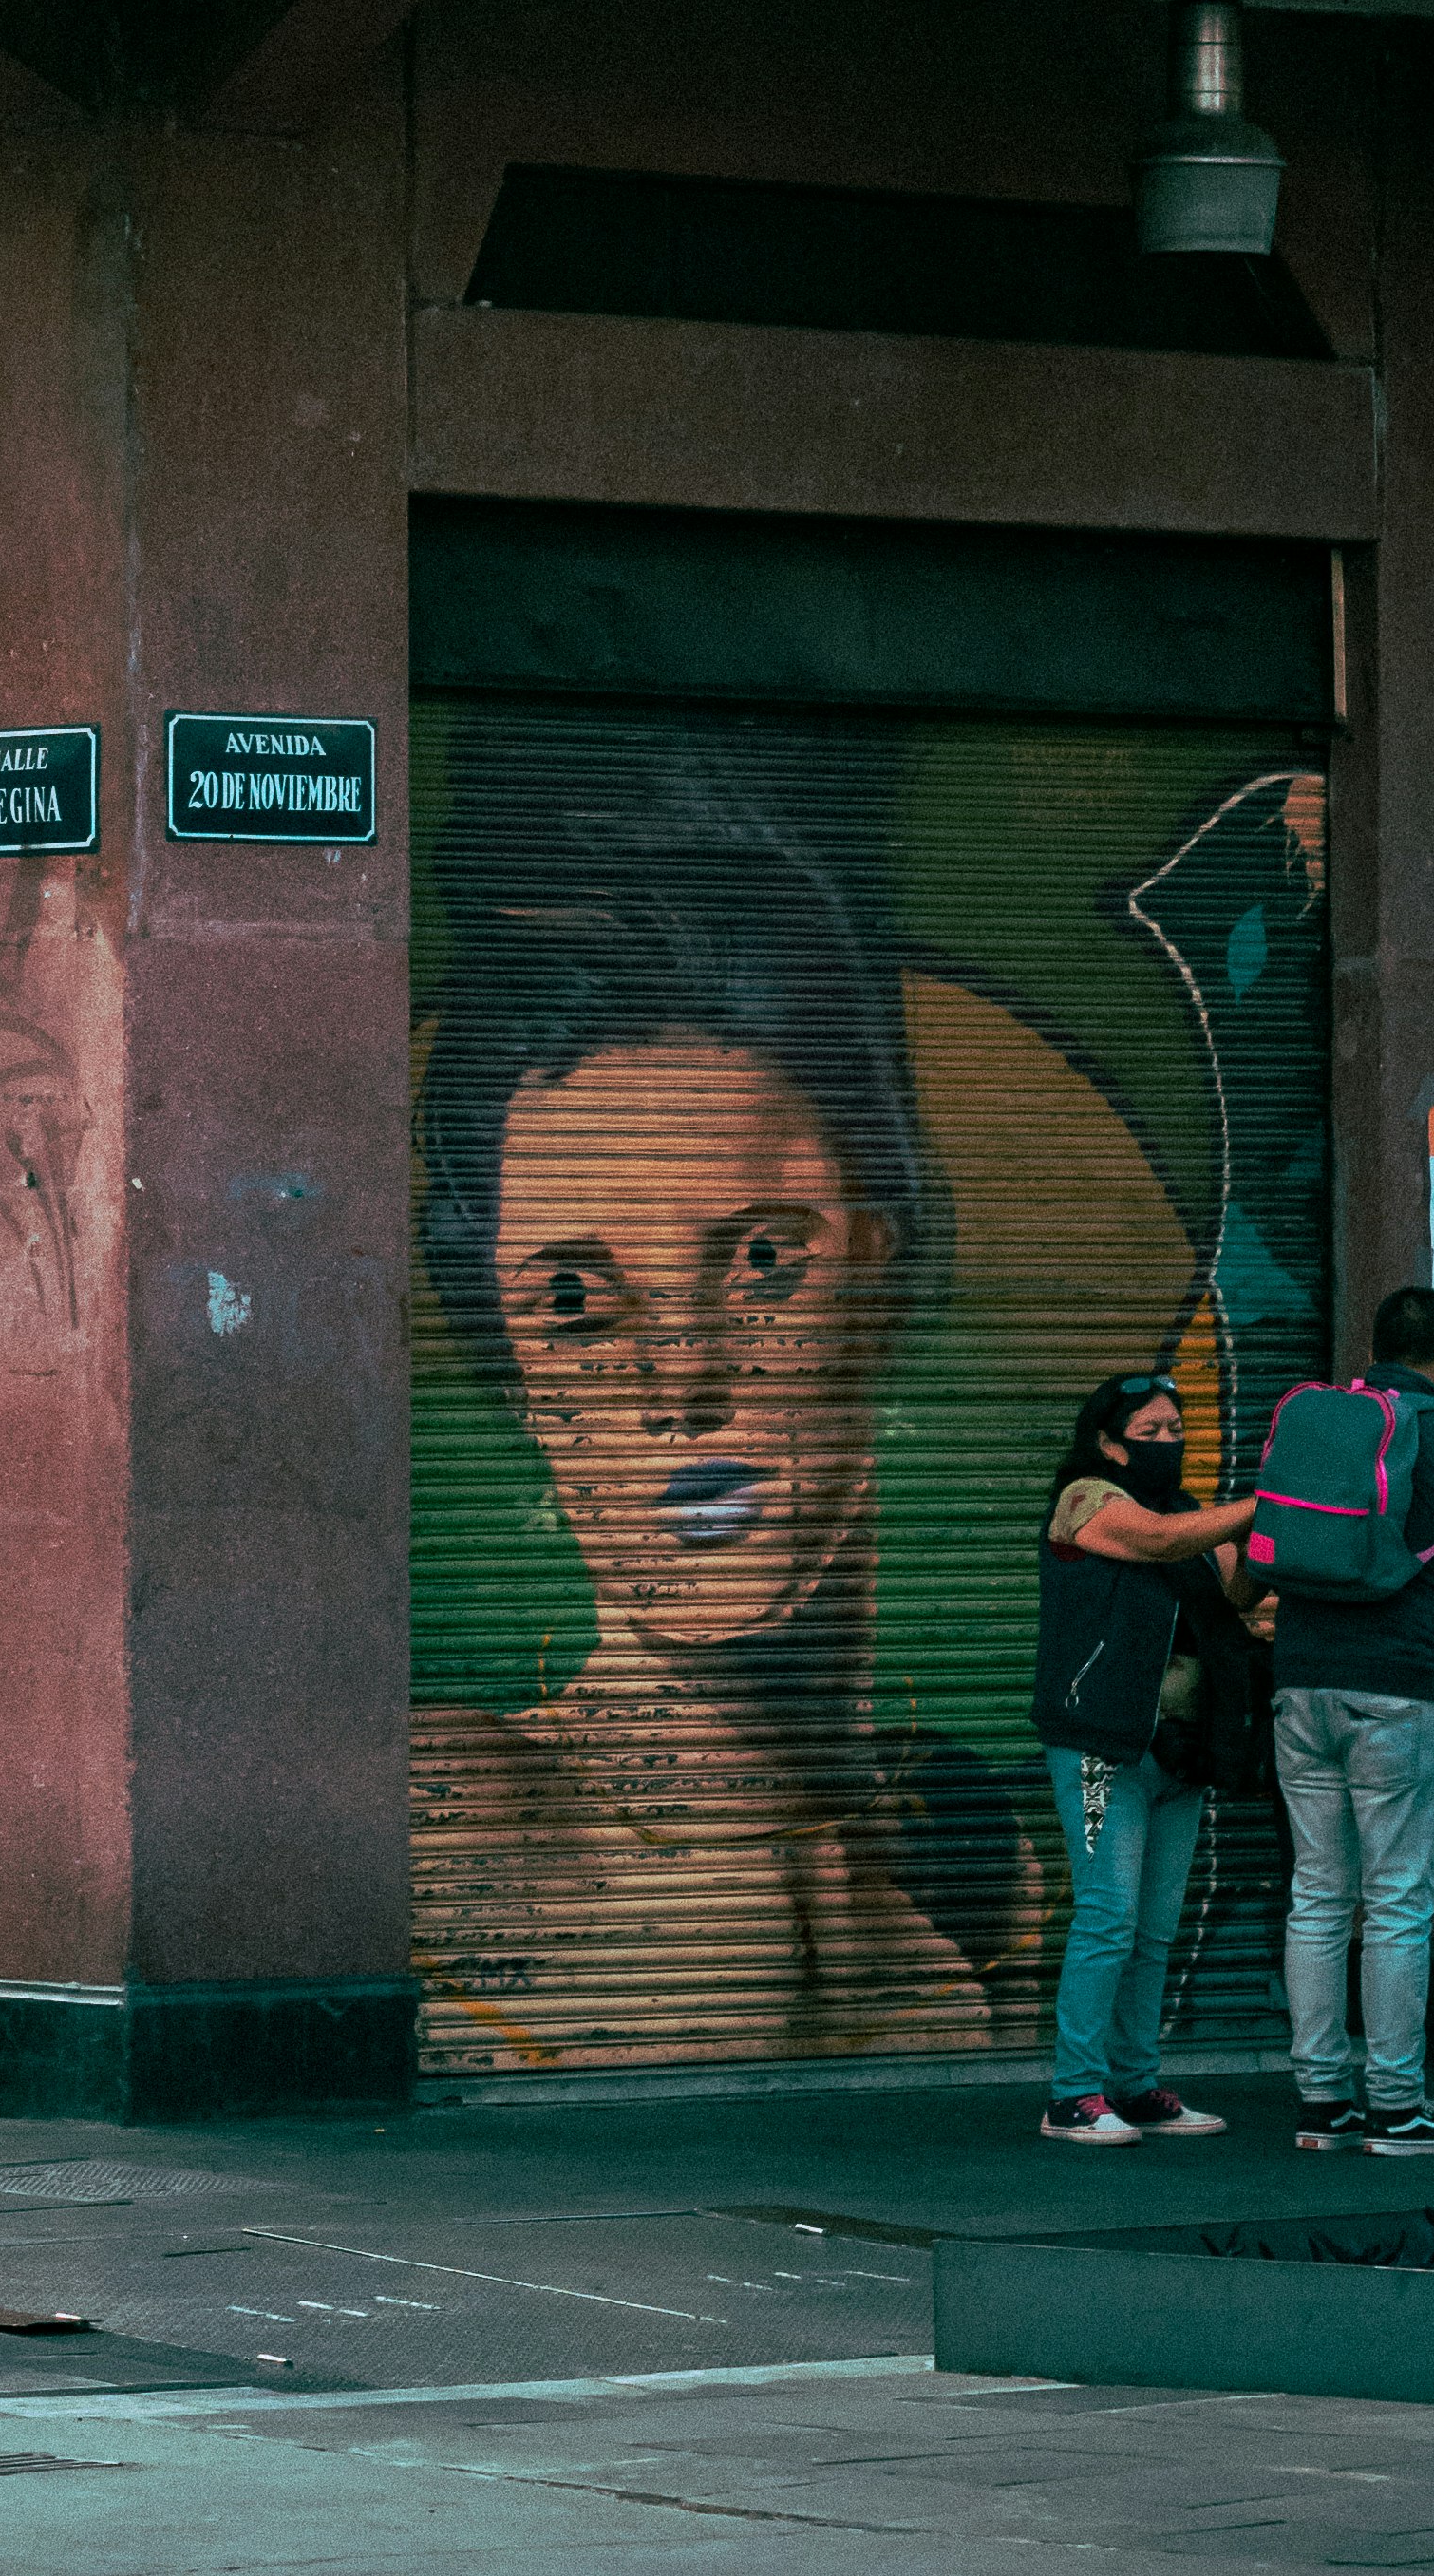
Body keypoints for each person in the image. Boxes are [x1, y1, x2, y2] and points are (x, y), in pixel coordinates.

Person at [413, 776, 1036, 2055]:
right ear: (519, 1372)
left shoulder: (971, 1858)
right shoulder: (455, 1811)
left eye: (760, 1259)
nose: (678, 1382)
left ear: (884, 1266)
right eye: (578, 1298)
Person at [1272, 1282, 1434, 2163]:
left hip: (1299, 1682)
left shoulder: (1319, 1420)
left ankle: (1322, 2101)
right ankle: (1395, 2105)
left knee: (1317, 1891)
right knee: (1393, 1900)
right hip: (1395, 1693)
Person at [1029, 1371, 1264, 2147]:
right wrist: (1260, 1506)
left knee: (1154, 1928)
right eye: (1149, 1431)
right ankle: (1072, 2095)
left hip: (1180, 1750)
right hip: (1100, 1748)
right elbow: (1155, 1542)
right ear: (1105, 1441)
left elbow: (1242, 1594)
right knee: (1106, 1917)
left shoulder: (1193, 1515)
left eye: (1175, 1430)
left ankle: (1133, 2083)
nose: (1167, 1443)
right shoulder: (1085, 1501)